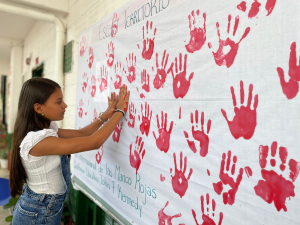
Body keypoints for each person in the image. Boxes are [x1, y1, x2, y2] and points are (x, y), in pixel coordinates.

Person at [9, 77, 130, 225]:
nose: (65, 105)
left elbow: (82, 134)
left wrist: (104, 117)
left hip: (43, 208)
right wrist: (120, 111)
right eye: (59, 101)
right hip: (37, 214)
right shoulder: (38, 141)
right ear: (39, 108)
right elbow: (94, 142)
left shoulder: (47, 129)